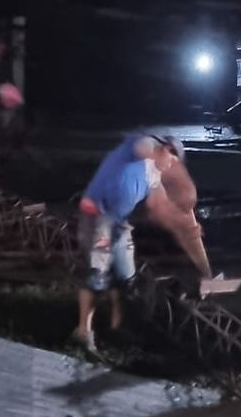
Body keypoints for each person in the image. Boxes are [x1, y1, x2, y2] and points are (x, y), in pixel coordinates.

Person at [73, 133, 211, 352]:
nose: (170, 166)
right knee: (97, 277)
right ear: (165, 149)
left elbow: (161, 208)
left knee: (128, 280)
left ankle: (117, 328)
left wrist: (185, 225)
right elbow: (142, 146)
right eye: (171, 159)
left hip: (119, 224)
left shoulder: (154, 177)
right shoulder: (139, 148)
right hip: (97, 216)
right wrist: (158, 153)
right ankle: (83, 332)